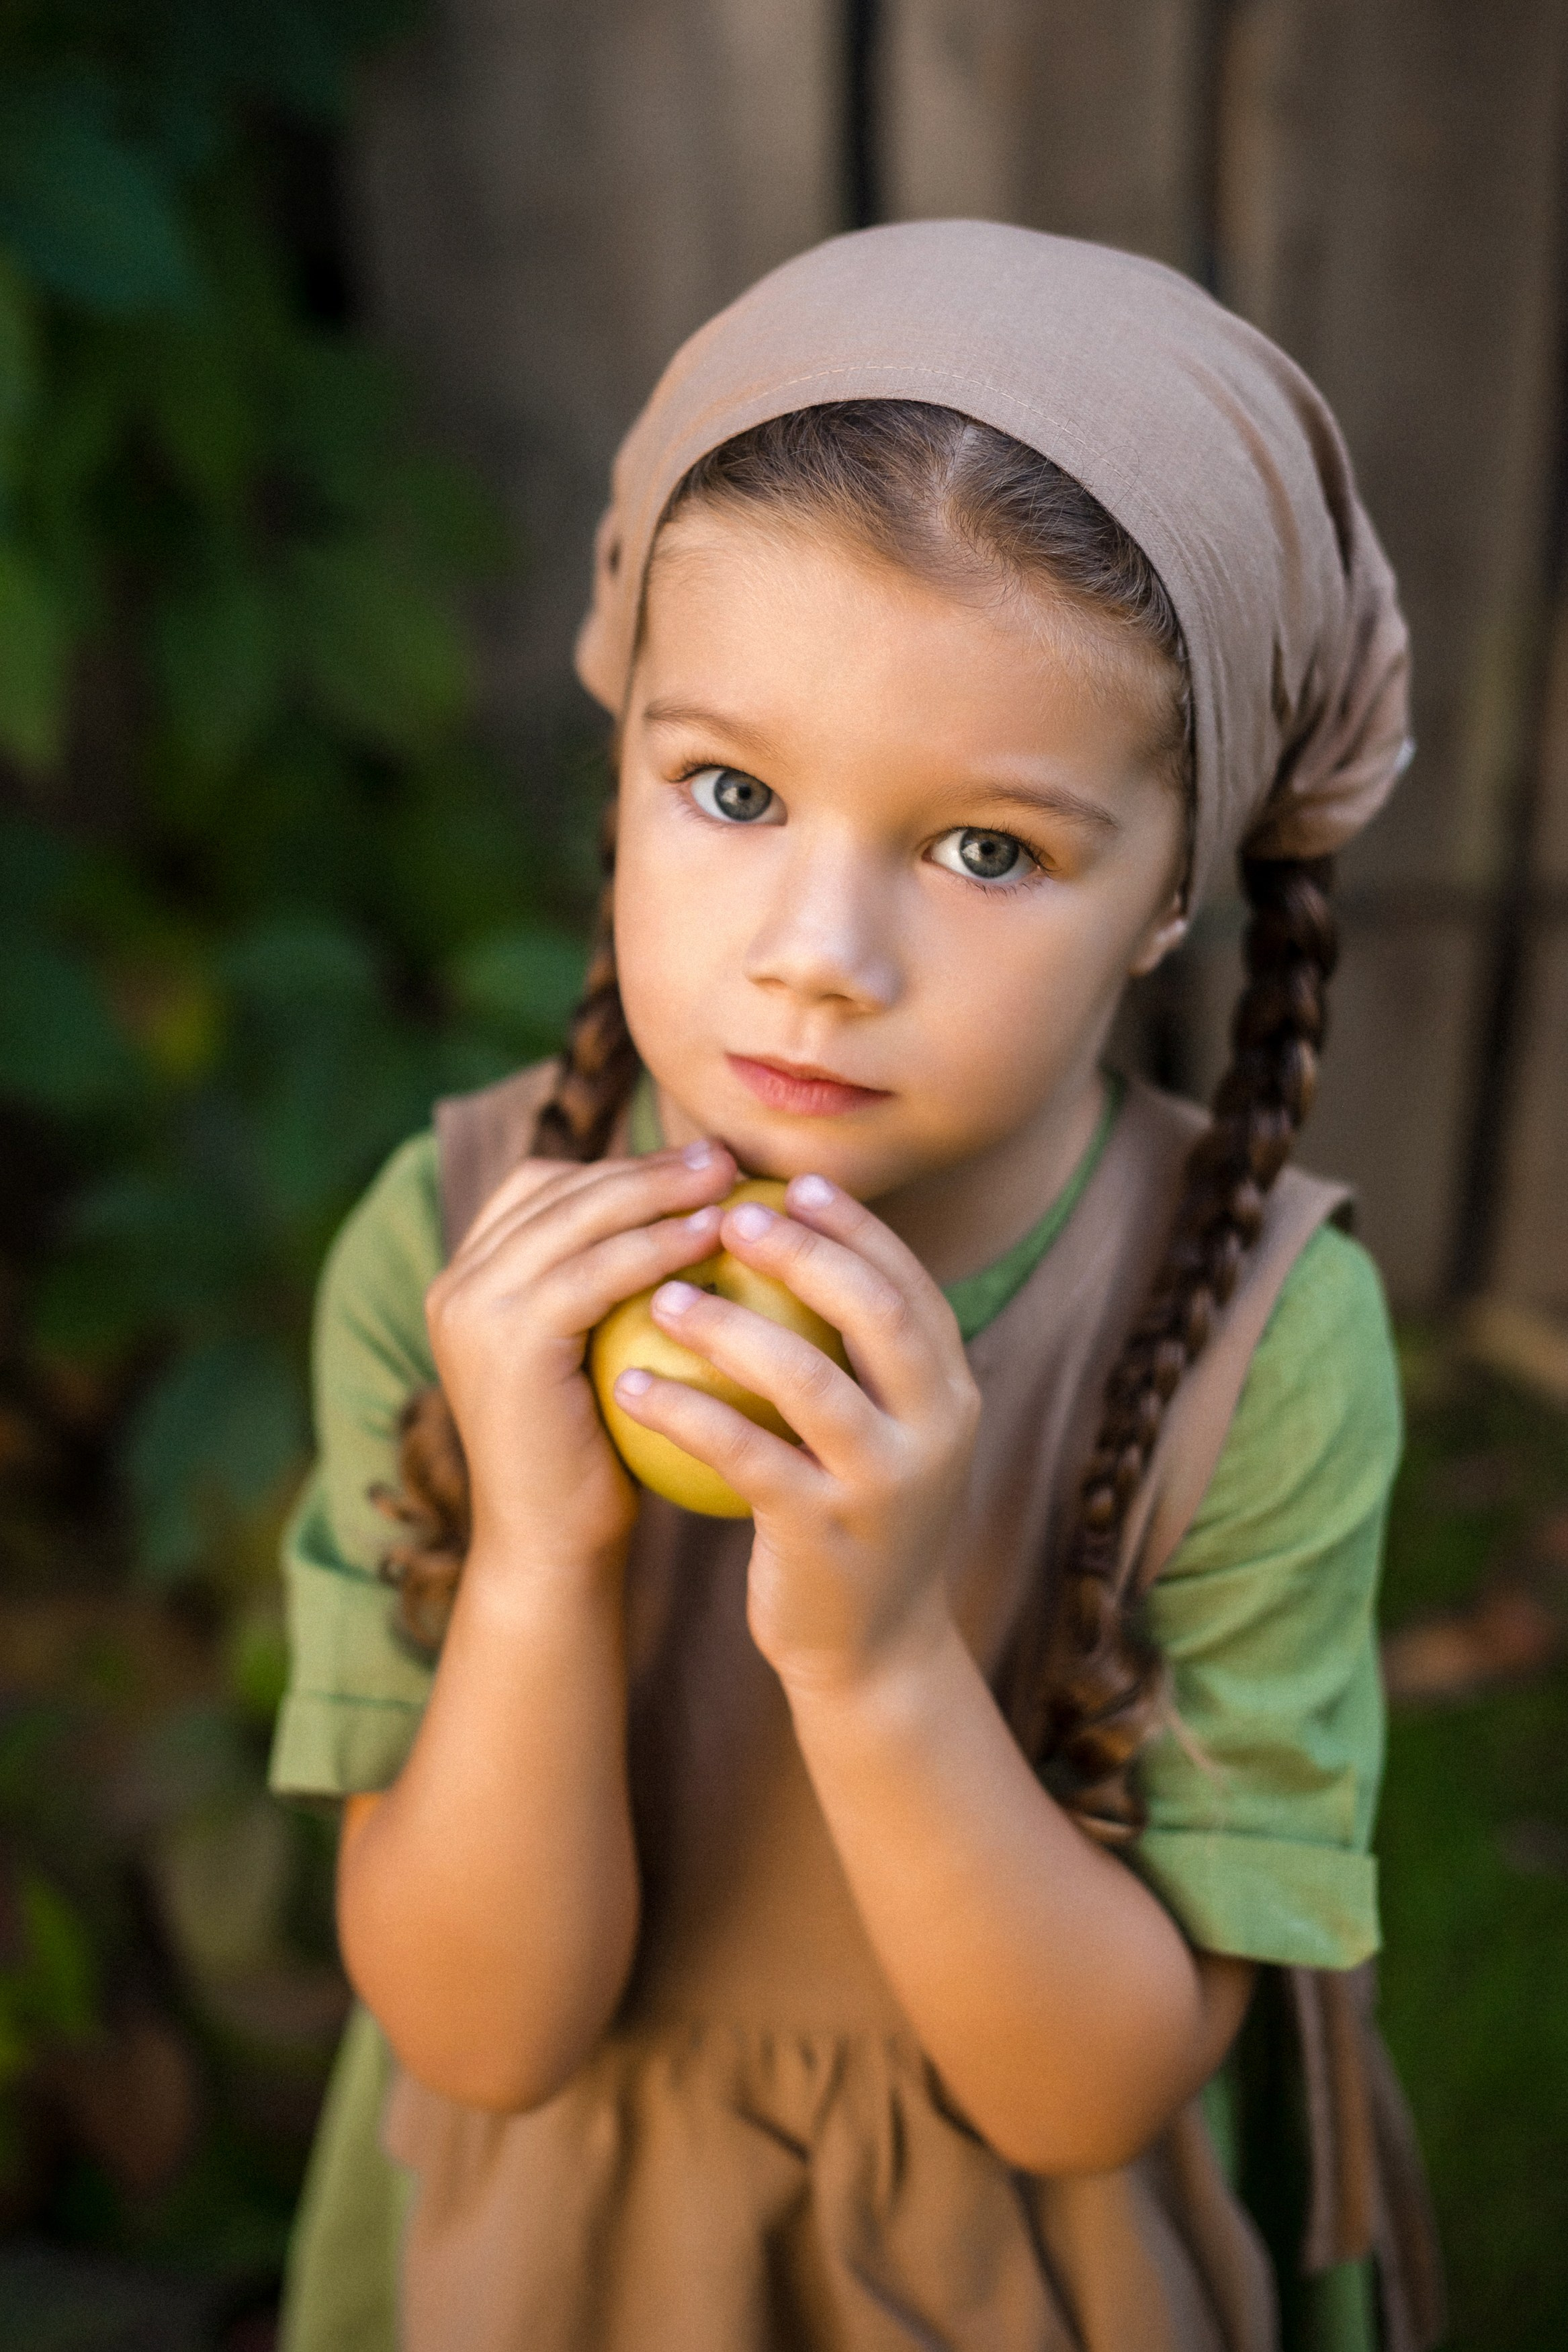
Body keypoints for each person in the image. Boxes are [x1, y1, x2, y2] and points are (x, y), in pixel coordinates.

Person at [269, 222, 1441, 2352]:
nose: (820, 954)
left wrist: (882, 1659)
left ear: (1169, 888)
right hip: (548, 2255)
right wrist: (537, 1558)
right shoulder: (452, 1258)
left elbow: (1084, 2096)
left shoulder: (1259, 1351)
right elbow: (476, 2027)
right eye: (731, 790)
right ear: (625, 759)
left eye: (986, 848)